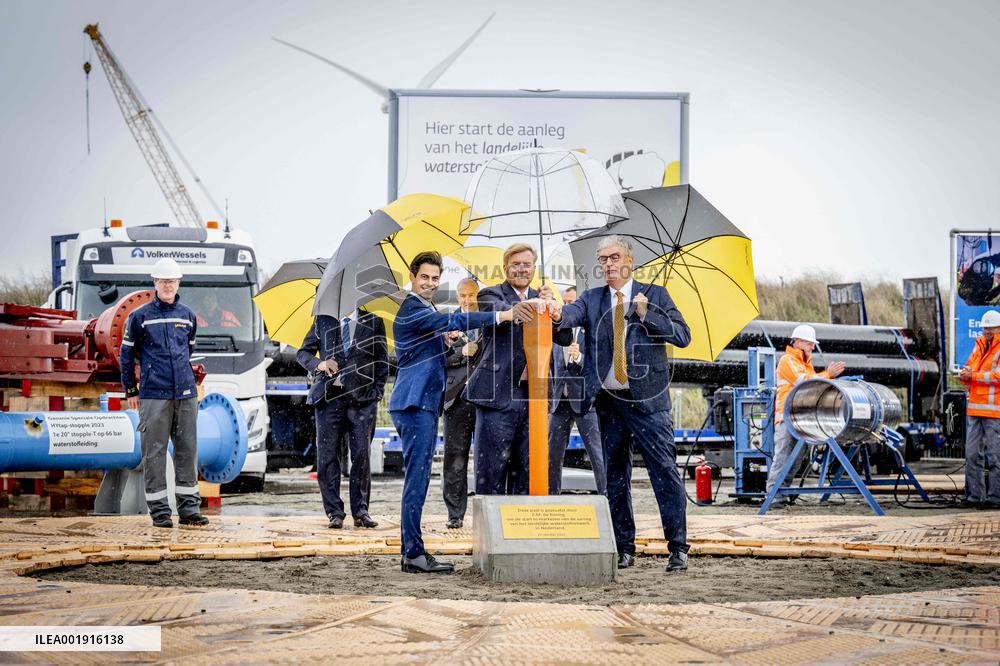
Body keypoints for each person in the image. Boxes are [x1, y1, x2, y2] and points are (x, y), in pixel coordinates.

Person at [550, 235, 692, 572]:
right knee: (614, 476)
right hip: (609, 402)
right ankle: (624, 546)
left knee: (664, 472)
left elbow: (683, 336)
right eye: (603, 259)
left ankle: (678, 547)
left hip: (649, 402)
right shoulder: (592, 298)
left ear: (629, 259)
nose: (608, 264)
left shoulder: (655, 295)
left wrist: (647, 314)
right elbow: (568, 319)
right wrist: (556, 314)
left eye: (614, 257)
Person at [390, 251, 527, 573]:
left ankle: (412, 550)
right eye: (424, 277)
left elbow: (426, 349)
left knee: (419, 478)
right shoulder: (411, 308)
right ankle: (413, 553)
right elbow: (456, 319)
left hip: (420, 402)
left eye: (435, 278)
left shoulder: (423, 309)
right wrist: (502, 315)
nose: (430, 283)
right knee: (417, 480)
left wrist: (444, 341)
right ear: (412, 277)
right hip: (414, 403)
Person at [120, 258, 210, 528]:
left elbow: (188, 350)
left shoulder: (187, 315)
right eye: (163, 281)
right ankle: (160, 512)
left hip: (185, 393)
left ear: (178, 283)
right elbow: (127, 356)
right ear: (155, 283)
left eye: (172, 281)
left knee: (187, 450)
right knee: (154, 452)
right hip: (154, 394)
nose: (168, 285)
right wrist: (131, 389)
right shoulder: (140, 317)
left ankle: (189, 510)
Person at [465, 243, 560, 496]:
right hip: (497, 394)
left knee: (528, 473)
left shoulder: (545, 298)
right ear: (505, 268)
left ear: (534, 269)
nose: (521, 269)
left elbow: (563, 336)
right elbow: (500, 313)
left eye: (526, 264)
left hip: (535, 396)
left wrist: (552, 309)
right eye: (515, 264)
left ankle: (523, 521)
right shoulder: (490, 295)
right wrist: (529, 306)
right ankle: (490, 521)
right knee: (491, 472)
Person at [297, 309, 388, 529]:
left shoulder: (373, 321)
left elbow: (382, 362)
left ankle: (361, 511)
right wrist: (320, 364)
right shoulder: (323, 320)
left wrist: (376, 393)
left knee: (361, 455)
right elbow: (303, 353)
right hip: (329, 399)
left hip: (363, 401)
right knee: (327, 456)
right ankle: (334, 512)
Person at [765, 324, 846, 501]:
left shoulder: (805, 364)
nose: (813, 347)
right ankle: (773, 496)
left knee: (794, 461)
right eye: (810, 343)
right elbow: (805, 383)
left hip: (800, 419)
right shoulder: (787, 360)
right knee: (783, 458)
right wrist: (828, 374)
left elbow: (814, 386)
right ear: (798, 342)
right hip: (786, 419)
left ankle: (781, 494)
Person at [549, 286, 606, 495]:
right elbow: (552, 367)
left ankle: (606, 497)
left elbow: (601, 366)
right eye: (564, 302)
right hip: (559, 403)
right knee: (552, 455)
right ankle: (551, 497)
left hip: (585, 403)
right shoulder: (556, 332)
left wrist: (580, 358)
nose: (567, 306)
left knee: (597, 454)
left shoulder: (592, 332)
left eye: (571, 302)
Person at [442, 278, 482, 529]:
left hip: (486, 398)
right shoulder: (447, 323)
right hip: (456, 400)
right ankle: (455, 514)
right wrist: (460, 353)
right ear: (457, 297)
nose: (467, 300)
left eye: (472, 295)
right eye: (463, 295)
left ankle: (487, 511)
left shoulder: (488, 320)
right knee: (455, 457)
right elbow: (438, 358)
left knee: (486, 458)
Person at [959, 309, 1000, 508]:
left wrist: (973, 376)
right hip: (975, 410)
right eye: (985, 327)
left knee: (995, 457)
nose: (987, 331)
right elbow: (971, 368)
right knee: (972, 455)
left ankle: (995, 498)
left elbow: (998, 376)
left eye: (991, 327)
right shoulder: (980, 345)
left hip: (995, 412)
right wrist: (965, 374)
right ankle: (975, 497)